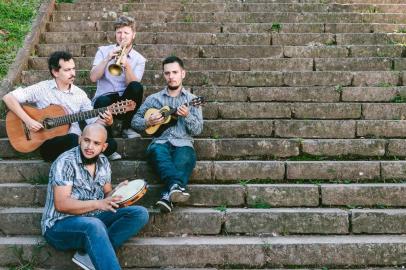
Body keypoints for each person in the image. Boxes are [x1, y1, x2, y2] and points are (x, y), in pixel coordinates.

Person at [41, 123, 149, 270]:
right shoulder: (65, 162)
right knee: (94, 224)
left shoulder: (103, 162)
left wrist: (118, 192)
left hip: (92, 219)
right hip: (59, 226)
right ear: (80, 139)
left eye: (96, 143)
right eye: (86, 140)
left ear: (103, 147)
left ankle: (89, 255)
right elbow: (62, 204)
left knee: (139, 213)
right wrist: (98, 204)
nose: (90, 146)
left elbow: (107, 195)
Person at [2, 51, 119, 162]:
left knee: (111, 144)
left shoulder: (80, 95)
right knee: (73, 139)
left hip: (76, 140)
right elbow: (8, 97)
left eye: (73, 69)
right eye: (67, 70)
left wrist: (106, 122)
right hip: (49, 143)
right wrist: (28, 121)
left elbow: (92, 122)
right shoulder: (43, 88)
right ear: (55, 72)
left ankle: (80, 156)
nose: (73, 73)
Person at [131, 56, 203, 213]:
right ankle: (175, 188)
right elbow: (134, 121)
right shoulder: (153, 99)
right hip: (160, 142)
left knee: (185, 157)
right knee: (158, 152)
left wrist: (188, 116)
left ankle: (167, 195)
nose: (171, 77)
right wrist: (148, 122)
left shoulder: (193, 100)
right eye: (167, 73)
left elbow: (197, 130)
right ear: (163, 75)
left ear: (183, 74)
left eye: (175, 72)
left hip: (183, 143)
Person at [90, 15, 146, 150]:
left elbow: (133, 86)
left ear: (133, 35)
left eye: (126, 32)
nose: (122, 36)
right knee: (101, 102)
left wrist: (126, 65)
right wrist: (108, 59)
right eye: (119, 32)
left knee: (137, 86)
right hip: (105, 98)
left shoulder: (139, 59)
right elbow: (92, 78)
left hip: (124, 101)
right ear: (115, 34)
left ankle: (126, 127)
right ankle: (107, 141)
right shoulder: (103, 51)